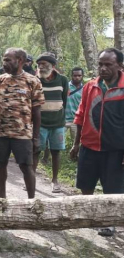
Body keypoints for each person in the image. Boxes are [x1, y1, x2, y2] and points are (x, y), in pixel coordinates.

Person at [70, 48, 124, 237]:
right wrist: (76, 144)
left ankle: (109, 222)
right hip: (89, 144)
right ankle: (89, 215)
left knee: (113, 186)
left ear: (119, 65)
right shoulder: (90, 86)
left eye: (108, 64)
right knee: (86, 182)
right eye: (100, 64)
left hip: (116, 148)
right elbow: (81, 114)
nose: (103, 68)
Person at [0, 48, 44, 199]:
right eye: (4, 60)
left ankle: (32, 202)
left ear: (19, 61)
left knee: (26, 167)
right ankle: (2, 199)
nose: (4, 63)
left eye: (8, 60)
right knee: (0, 164)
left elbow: (37, 112)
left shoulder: (32, 81)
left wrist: (36, 137)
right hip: (1, 132)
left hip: (23, 133)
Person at [32, 52, 69, 193]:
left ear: (53, 66)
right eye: (39, 64)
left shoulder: (63, 80)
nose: (41, 67)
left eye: (44, 65)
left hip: (57, 123)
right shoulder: (34, 80)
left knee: (56, 152)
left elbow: (63, 101)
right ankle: (31, 178)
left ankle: (55, 181)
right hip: (39, 124)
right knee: (35, 151)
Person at [65, 67, 84, 141]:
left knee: (76, 143)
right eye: (75, 76)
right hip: (63, 120)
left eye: (79, 76)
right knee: (57, 143)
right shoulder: (65, 86)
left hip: (76, 121)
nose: (77, 77)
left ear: (82, 76)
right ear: (71, 76)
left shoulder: (85, 89)